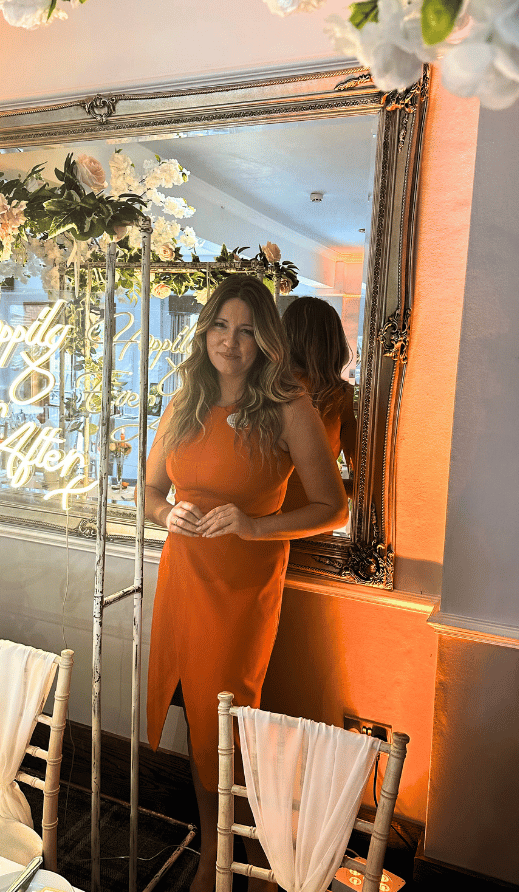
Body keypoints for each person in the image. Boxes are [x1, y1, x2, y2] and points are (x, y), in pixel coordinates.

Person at [144, 274, 348, 892]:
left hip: (240, 591)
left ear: (266, 340)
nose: (230, 342)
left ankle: (220, 861)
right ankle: (216, 850)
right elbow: (150, 490)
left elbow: (332, 506)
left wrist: (256, 526)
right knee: (196, 719)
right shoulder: (185, 402)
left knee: (226, 724)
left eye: (247, 330)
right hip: (182, 578)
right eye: (221, 326)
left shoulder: (290, 405)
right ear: (205, 328)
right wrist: (164, 514)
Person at [281, 296, 357, 511]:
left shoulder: (264, 390)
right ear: (334, 343)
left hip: (262, 517)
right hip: (314, 523)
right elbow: (365, 481)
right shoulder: (341, 398)